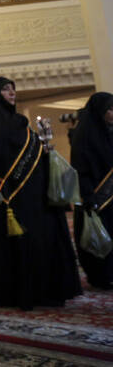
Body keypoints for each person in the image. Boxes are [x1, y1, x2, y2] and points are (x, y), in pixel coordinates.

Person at [0, 77, 81, 308]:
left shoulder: (21, 122)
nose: (12, 93)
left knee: (45, 240)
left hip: (39, 195)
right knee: (22, 244)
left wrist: (45, 151)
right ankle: (20, 292)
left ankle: (50, 290)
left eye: (13, 89)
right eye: (5, 90)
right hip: (11, 197)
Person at [71, 92, 113, 289]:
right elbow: (81, 168)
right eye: (110, 109)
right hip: (94, 197)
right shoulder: (85, 134)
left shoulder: (109, 131)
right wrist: (90, 197)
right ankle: (101, 277)